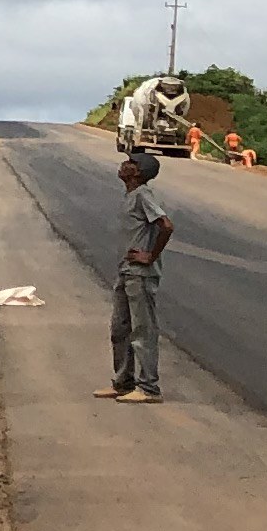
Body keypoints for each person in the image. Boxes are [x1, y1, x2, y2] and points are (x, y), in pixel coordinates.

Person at [100, 147, 174, 402]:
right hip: (126, 271)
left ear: (138, 172)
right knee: (120, 328)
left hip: (140, 274)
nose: (123, 164)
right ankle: (123, 382)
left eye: (130, 162)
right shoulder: (130, 195)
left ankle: (149, 388)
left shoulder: (143, 195)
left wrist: (149, 256)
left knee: (142, 330)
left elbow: (166, 225)